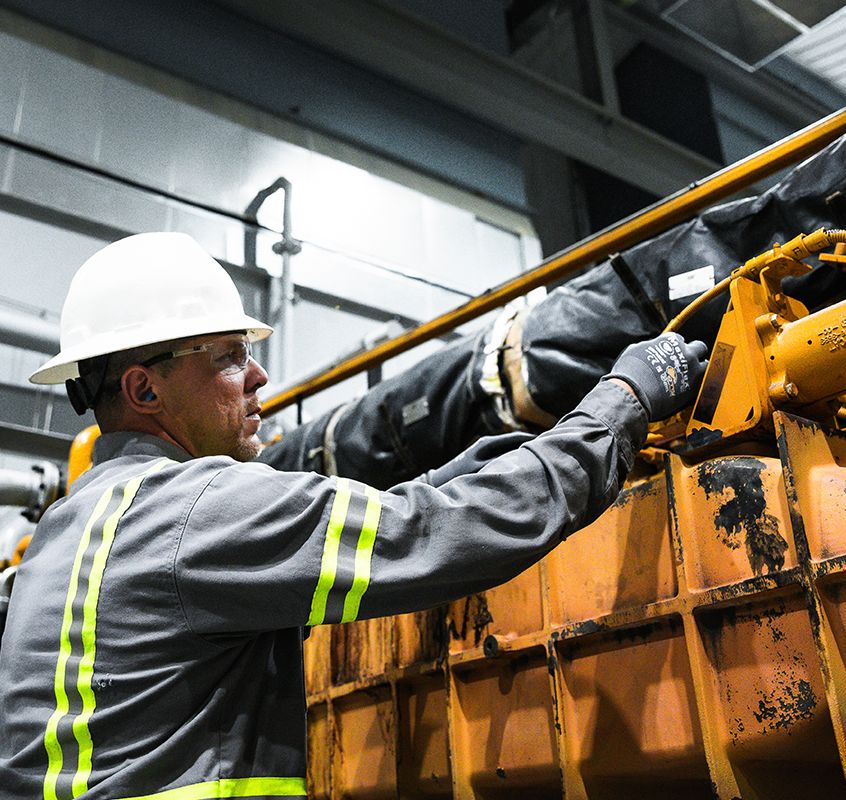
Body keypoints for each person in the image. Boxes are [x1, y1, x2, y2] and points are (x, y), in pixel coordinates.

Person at [0, 232, 707, 799]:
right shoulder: (196, 512)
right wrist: (621, 401)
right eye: (229, 356)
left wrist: (456, 473)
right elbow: (439, 535)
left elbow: (393, 520)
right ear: (144, 389)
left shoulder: (67, 532)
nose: (258, 376)